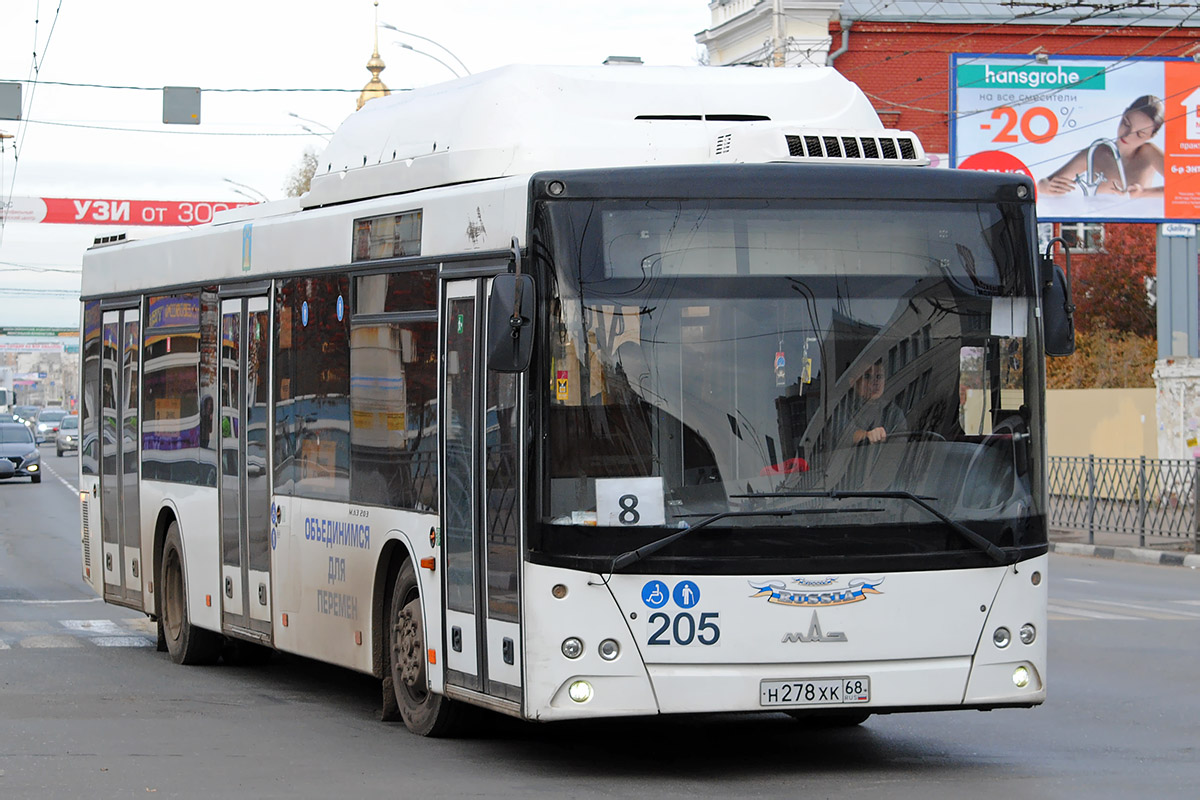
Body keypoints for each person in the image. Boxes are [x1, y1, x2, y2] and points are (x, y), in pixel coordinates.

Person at [1037, 95, 1165, 198]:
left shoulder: (1148, 153)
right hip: (1098, 223)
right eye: (1126, 124)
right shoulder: (1097, 152)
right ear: (1123, 114)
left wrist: (1144, 193)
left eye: (1139, 134)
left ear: (1151, 136)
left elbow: (1182, 188)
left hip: (1137, 224)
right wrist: (1046, 187)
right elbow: (1043, 184)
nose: (1126, 135)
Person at [850, 359, 905, 445]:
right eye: (867, 376)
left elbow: (899, 448)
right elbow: (842, 433)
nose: (875, 382)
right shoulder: (842, 408)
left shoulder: (893, 412)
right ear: (852, 382)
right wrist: (866, 435)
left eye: (879, 377)